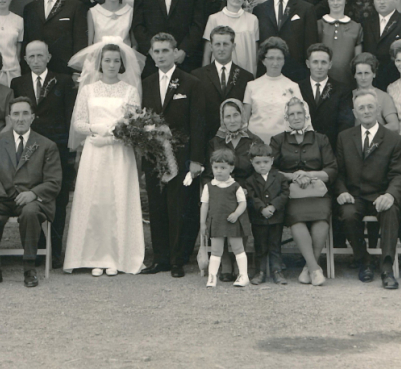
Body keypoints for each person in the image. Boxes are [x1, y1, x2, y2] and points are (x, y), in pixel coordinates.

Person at [63, 39, 146, 276]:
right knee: (95, 200)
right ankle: (93, 256)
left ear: (121, 63)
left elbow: (134, 122)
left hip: (120, 152)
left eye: (116, 61)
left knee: (116, 199)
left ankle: (117, 256)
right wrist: (97, 130)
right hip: (94, 151)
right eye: (107, 60)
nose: (111, 65)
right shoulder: (87, 90)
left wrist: (117, 132)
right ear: (100, 63)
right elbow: (78, 123)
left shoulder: (129, 90)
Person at [139, 34, 207, 277]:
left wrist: (197, 159)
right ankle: (161, 258)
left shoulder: (191, 83)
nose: (160, 55)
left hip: (182, 155)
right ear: (150, 54)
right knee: (157, 207)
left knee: (180, 206)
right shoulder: (145, 82)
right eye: (156, 51)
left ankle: (178, 259)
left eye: (165, 50)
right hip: (154, 156)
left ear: (175, 52)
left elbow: (198, 123)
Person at [0, 97, 63, 288]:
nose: (20, 118)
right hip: (2, 197)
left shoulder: (47, 145)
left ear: (32, 117)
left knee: (30, 212)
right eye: (16, 114)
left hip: (33, 199)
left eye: (25, 113)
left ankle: (29, 267)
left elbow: (54, 181)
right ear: (9, 118)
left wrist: (33, 193)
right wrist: (6, 194)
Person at [334, 90, 401, 289]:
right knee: (348, 214)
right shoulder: (344, 137)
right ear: (354, 112)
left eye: (370, 107)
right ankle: (364, 261)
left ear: (378, 109)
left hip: (381, 195)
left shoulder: (394, 139)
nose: (366, 111)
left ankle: (386, 268)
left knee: (392, 211)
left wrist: (390, 195)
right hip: (355, 196)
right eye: (361, 108)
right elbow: (338, 171)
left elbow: (399, 175)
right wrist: (341, 191)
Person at [11, 41, 75, 266]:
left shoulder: (64, 81)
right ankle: (36, 249)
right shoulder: (17, 83)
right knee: (30, 196)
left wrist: (69, 149)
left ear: (48, 57)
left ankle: (54, 252)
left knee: (57, 199)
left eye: (40, 56)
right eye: (31, 56)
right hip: (28, 150)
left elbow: (69, 117)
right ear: (25, 59)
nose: (36, 60)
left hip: (57, 149)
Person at [271, 96, 336, 287]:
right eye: (292, 114)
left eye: (300, 113)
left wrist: (310, 174)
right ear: (287, 117)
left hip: (317, 192)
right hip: (292, 193)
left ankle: (309, 268)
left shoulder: (320, 139)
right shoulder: (278, 140)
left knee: (321, 221)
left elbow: (332, 168)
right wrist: (294, 176)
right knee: (297, 220)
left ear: (306, 115)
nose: (296, 117)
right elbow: (271, 170)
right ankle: (315, 269)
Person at [204, 99, 262, 282]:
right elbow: (208, 172)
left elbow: (258, 169)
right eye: (227, 116)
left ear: (243, 115)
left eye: (236, 115)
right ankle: (226, 262)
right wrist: (212, 191)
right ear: (222, 119)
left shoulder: (253, 140)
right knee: (221, 208)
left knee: (243, 208)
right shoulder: (216, 142)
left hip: (246, 189)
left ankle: (239, 259)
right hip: (220, 190)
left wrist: (246, 188)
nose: (232, 120)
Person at [252, 0, 315, 83]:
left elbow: (310, 44)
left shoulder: (306, 9)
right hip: (266, 73)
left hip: (296, 73)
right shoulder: (260, 10)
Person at [199, 148, 253, 287]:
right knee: (216, 250)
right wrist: (203, 223)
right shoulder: (209, 187)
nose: (219, 171)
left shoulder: (236, 186)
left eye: (223, 167)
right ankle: (212, 277)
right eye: (216, 167)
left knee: (238, 248)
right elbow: (204, 205)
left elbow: (243, 203)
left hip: (233, 222)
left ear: (231, 168)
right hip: (216, 222)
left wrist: (236, 214)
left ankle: (243, 275)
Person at [192, 26, 255, 145]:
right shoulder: (197, 76)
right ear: (211, 46)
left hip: (237, 143)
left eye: (225, 44)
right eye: (217, 44)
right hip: (207, 141)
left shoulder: (246, 77)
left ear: (233, 46)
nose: (221, 49)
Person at [23, 0, 88, 75]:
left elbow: (80, 42)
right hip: (36, 71)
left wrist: (76, 71)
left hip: (64, 71)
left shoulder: (75, 7)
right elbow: (26, 41)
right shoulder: (30, 8)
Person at [245, 142, 291, 286]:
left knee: (275, 245)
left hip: (276, 218)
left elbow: (285, 193)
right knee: (260, 246)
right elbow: (251, 197)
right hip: (259, 218)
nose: (262, 165)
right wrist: (261, 208)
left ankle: (277, 271)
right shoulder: (250, 180)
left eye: (265, 162)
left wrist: (273, 206)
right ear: (252, 162)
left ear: (271, 161)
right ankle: (260, 272)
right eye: (258, 162)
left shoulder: (279, 177)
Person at [242, 37, 303, 143]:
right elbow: (245, 120)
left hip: (284, 143)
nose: (275, 63)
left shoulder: (293, 87)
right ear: (263, 61)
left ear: (284, 61)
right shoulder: (251, 85)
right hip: (255, 142)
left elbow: (300, 118)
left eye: (279, 58)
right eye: (271, 58)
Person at [299, 43, 354, 150]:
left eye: (323, 62)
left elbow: (345, 124)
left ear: (330, 64)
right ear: (308, 63)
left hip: (330, 147)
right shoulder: (298, 87)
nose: (319, 67)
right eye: (315, 62)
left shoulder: (342, 90)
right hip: (302, 146)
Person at [203, 0, 259, 73]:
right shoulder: (214, 19)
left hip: (247, 71)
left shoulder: (253, 19)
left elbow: (255, 52)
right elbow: (207, 53)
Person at [317, 0, 363, 88]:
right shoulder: (319, 25)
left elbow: (358, 60)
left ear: (345, 0)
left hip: (347, 82)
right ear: (327, 1)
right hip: (323, 81)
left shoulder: (356, 27)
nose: (335, 3)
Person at [351, 53, 400, 131]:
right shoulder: (349, 96)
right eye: (359, 73)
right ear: (354, 75)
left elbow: (394, 125)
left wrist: (371, 131)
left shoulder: (383, 96)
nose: (363, 78)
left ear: (374, 74)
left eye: (366, 73)